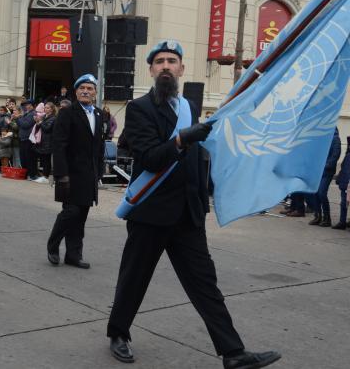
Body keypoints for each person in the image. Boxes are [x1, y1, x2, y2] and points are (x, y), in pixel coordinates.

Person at [106, 40, 280, 368]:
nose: (166, 66)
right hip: (151, 212)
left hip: (187, 214)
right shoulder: (139, 108)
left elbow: (197, 161)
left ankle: (233, 353)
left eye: (172, 61)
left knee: (205, 285)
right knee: (134, 277)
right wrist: (183, 139)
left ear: (182, 69)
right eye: (160, 62)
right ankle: (118, 333)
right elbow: (149, 158)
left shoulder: (189, 106)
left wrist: (206, 197)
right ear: (151, 70)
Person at [47, 74, 104, 270]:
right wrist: (60, 174)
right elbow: (59, 144)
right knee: (70, 212)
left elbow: (99, 145)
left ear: (95, 92)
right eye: (82, 88)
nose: (86, 91)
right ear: (76, 91)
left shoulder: (98, 114)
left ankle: (74, 255)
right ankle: (53, 246)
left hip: (89, 175)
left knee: (81, 218)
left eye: (90, 88)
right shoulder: (67, 112)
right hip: (70, 174)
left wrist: (100, 170)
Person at [309, 127, 340, 227]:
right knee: (315, 193)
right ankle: (317, 216)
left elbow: (335, 155)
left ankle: (327, 218)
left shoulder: (335, 139)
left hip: (327, 171)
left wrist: (324, 166)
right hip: (317, 170)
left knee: (321, 193)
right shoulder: (322, 138)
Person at [17, 99, 39, 180]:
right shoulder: (26, 114)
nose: (27, 106)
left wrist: (18, 118)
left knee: (29, 158)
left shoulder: (33, 113)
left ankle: (32, 175)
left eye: (28, 104)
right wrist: (19, 118)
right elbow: (21, 125)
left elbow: (25, 125)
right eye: (26, 105)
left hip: (28, 139)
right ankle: (25, 174)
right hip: (23, 138)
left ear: (32, 105)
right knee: (23, 158)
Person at [333, 134, 350, 230]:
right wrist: (340, 178)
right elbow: (344, 168)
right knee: (343, 203)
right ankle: (342, 221)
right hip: (346, 183)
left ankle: (343, 222)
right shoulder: (348, 156)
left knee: (344, 202)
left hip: (346, 183)